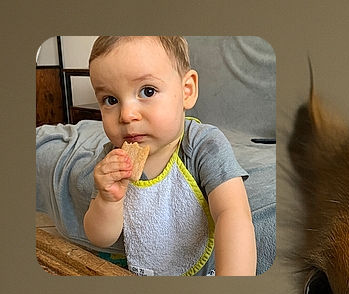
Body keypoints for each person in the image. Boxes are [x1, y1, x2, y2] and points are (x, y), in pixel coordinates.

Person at [82, 35, 256, 276]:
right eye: (110, 100)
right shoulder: (114, 156)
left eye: (147, 91)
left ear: (187, 91)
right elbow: (100, 237)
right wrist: (108, 200)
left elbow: (233, 214)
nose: (127, 115)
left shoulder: (203, 145)